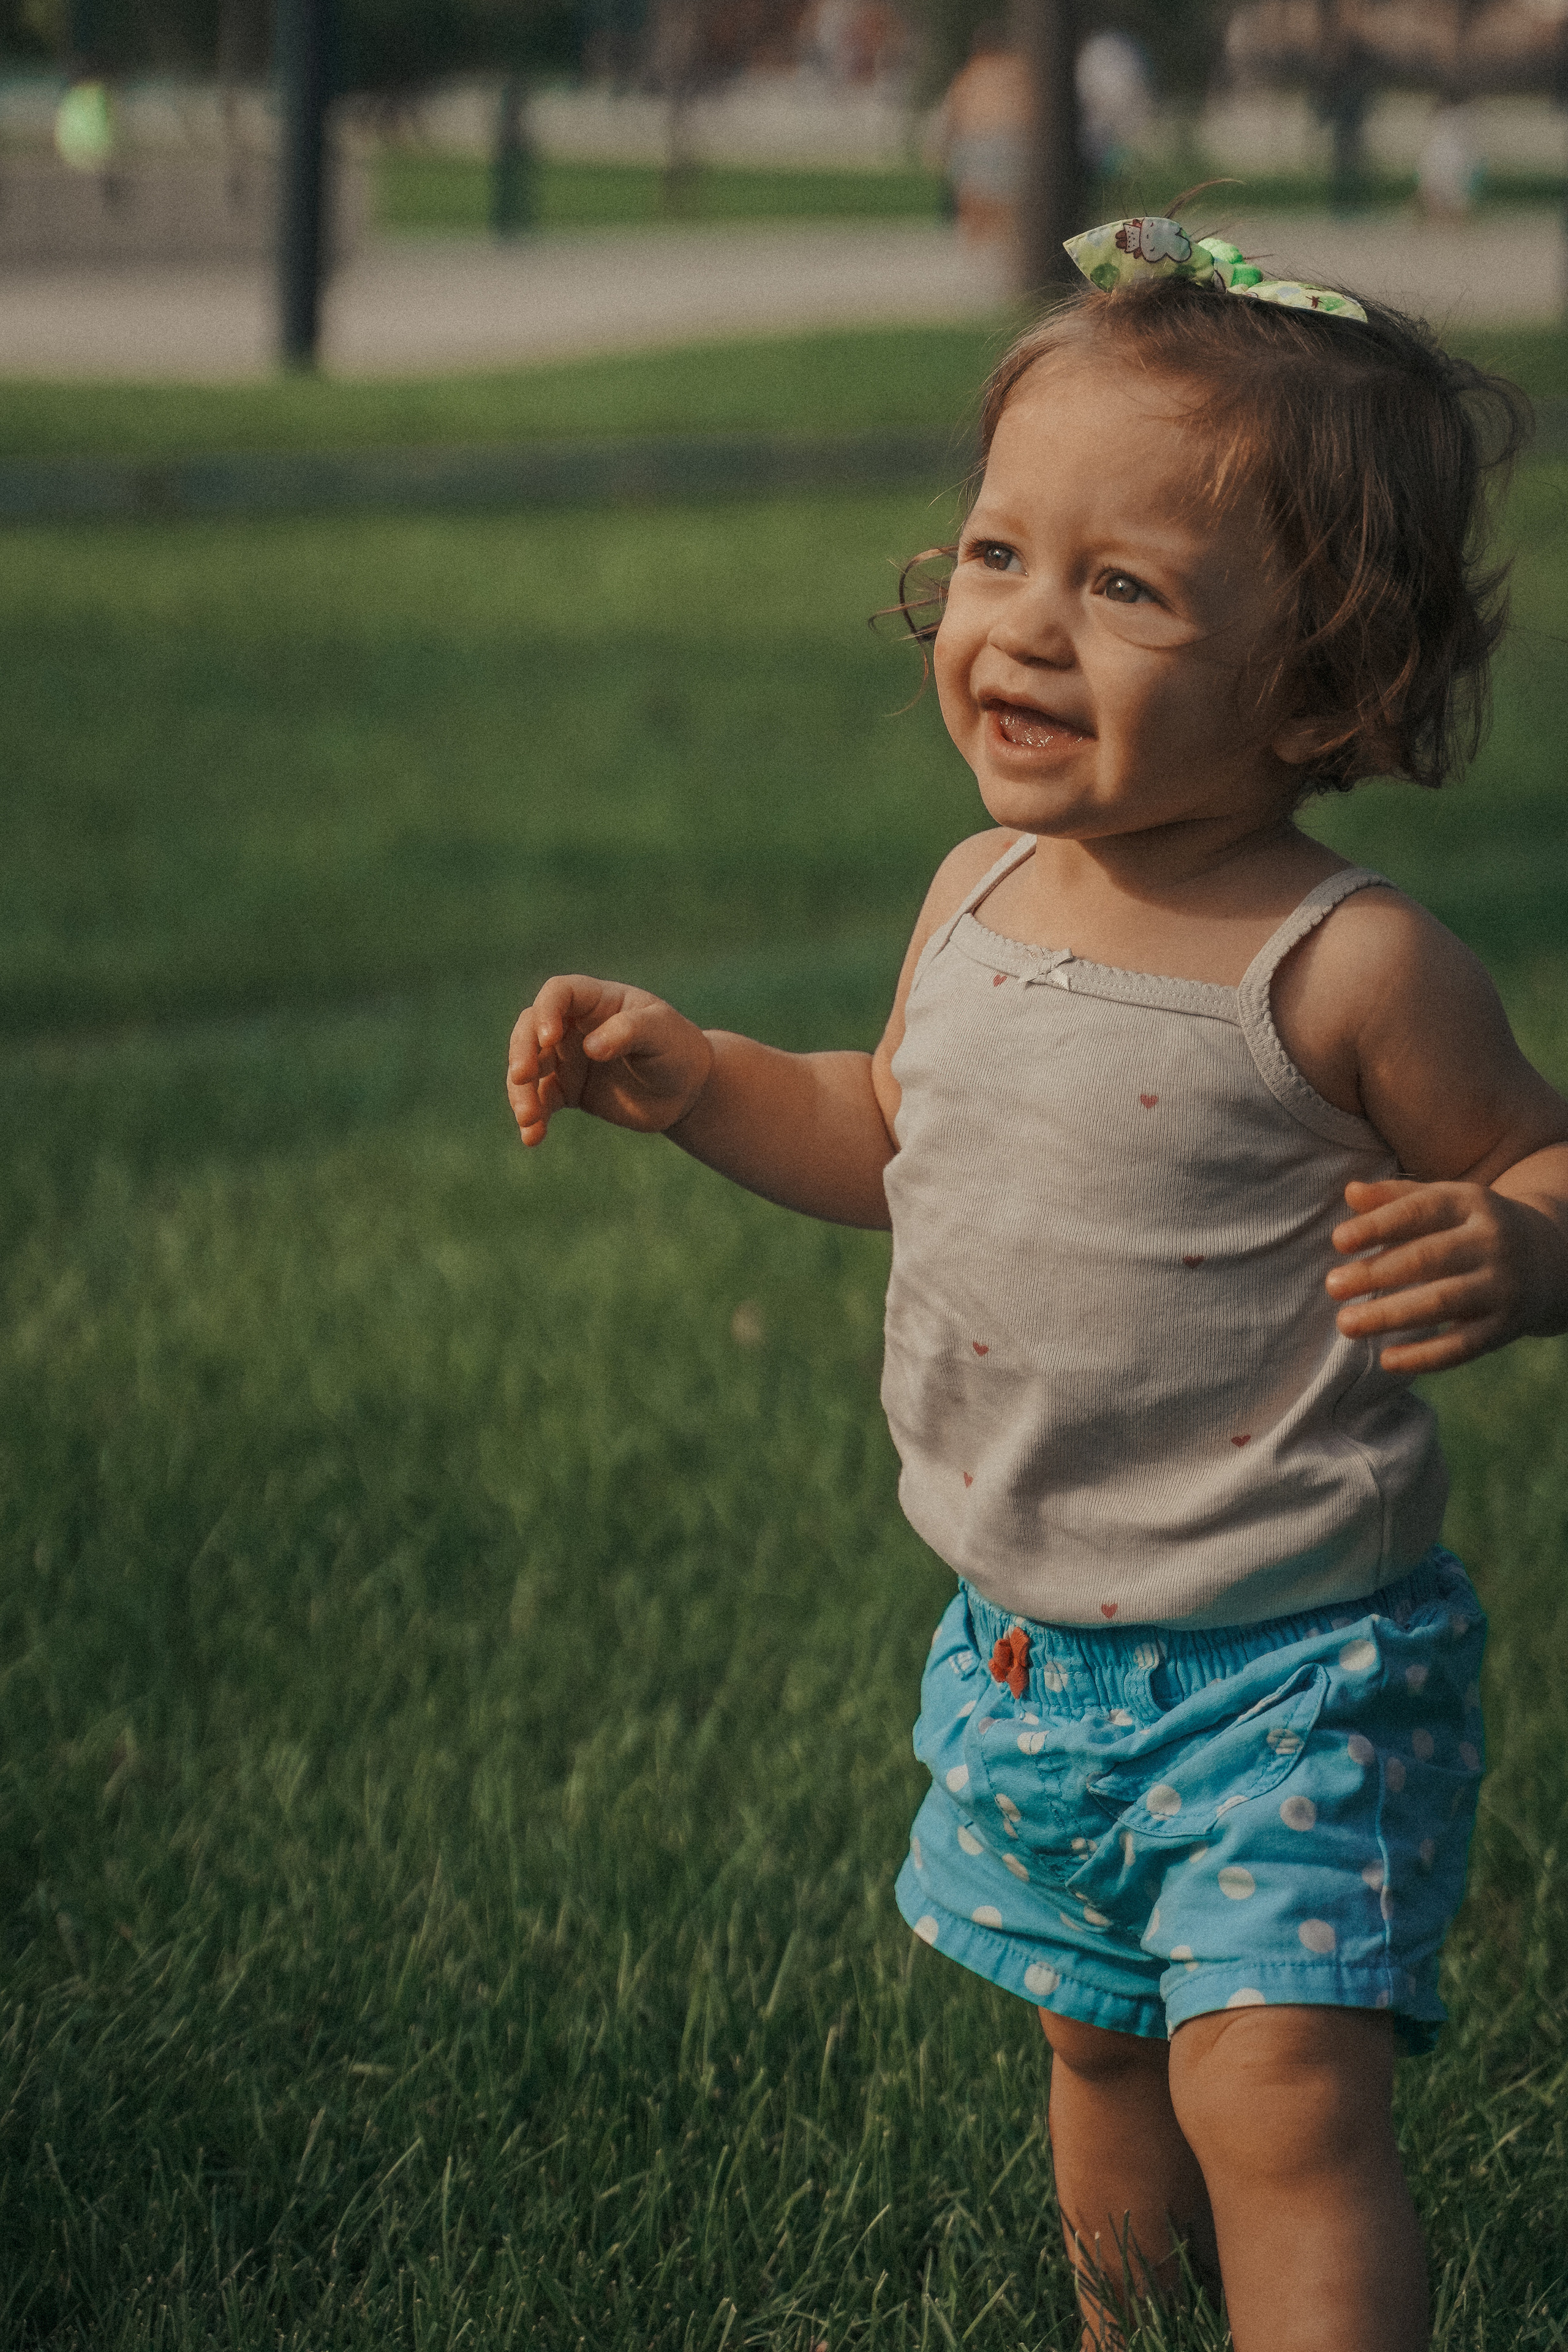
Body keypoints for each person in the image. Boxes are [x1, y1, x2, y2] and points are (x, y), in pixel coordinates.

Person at [506, 217, 1568, 2351]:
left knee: (1271, 2088)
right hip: (1021, 1656)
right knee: (1095, 2043)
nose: (1020, 630)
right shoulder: (976, 889)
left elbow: (1539, 1152)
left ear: (1331, 675)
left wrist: (1525, 1243)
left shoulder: (1347, 967)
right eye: (999, 558)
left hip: (1293, 1672)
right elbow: (896, 1131)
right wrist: (708, 1079)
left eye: (1125, 589)